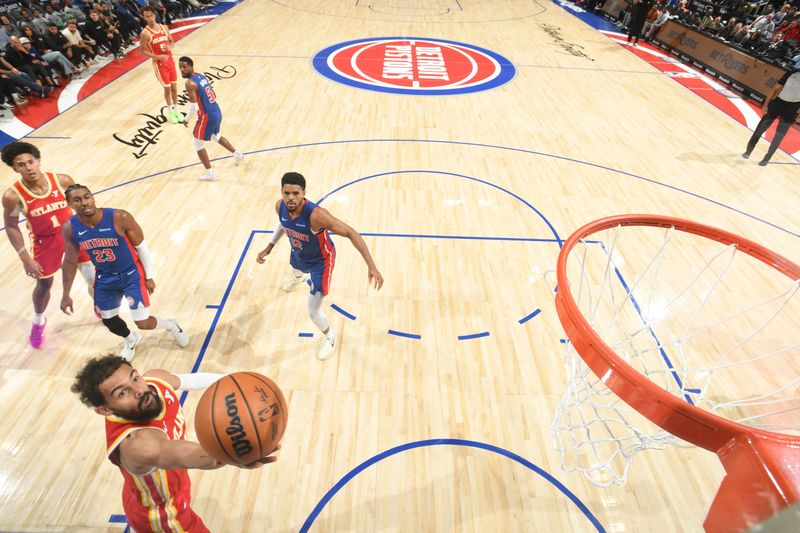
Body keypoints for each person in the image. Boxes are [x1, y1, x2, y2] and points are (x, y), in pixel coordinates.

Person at [71, 355, 280, 532]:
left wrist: (238, 380)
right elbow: (189, 455)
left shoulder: (154, 380)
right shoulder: (138, 446)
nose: (139, 390)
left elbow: (190, 380)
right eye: (122, 393)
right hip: (164, 515)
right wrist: (234, 454)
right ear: (105, 410)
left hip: (142, 493)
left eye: (134, 378)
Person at [256, 172, 384, 360]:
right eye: (286, 193)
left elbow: (351, 233)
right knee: (295, 266)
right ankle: (299, 277)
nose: (291, 198)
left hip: (320, 262)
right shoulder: (280, 206)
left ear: (304, 193)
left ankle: (329, 336)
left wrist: (371, 265)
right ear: (281, 192)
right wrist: (269, 247)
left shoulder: (317, 215)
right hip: (299, 252)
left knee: (312, 311)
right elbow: (283, 224)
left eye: (296, 193)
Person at [60, 184, 188, 360]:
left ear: (92, 197)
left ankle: (171, 325)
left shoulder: (120, 217)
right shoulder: (70, 228)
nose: (84, 202)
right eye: (77, 200)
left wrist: (149, 276)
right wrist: (66, 294)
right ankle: (131, 339)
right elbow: (69, 261)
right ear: (70, 205)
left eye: (87, 196)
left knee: (143, 322)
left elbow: (141, 248)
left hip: (131, 275)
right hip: (105, 278)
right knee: (109, 321)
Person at [2, 142, 95, 348]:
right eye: (21, 165)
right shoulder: (13, 197)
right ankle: (38, 321)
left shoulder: (62, 181)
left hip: (74, 235)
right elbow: (11, 226)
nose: (28, 168)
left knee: (93, 277)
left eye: (31, 162)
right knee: (44, 284)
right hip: (45, 242)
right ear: (14, 168)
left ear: (38, 161)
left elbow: (83, 205)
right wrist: (25, 258)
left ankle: (101, 305)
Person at [178, 56, 244, 181]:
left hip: (206, 116)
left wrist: (186, 119)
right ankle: (237, 154)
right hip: (216, 111)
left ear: (192, 66)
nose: (182, 70)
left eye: (184, 67)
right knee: (215, 136)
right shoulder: (201, 76)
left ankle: (210, 173)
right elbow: (214, 94)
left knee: (197, 144)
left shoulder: (189, 83)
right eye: (180, 67)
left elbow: (194, 107)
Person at [742, 66, 800, 165]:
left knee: (779, 135)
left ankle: (767, 158)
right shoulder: (791, 73)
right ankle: (748, 150)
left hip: (792, 108)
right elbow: (774, 89)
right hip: (778, 103)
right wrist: (765, 105)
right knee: (760, 128)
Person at [139, 5, 181, 124]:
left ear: (155, 15)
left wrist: (170, 46)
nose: (150, 18)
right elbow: (142, 51)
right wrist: (157, 57)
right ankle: (171, 112)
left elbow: (172, 41)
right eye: (147, 17)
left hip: (170, 61)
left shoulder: (164, 27)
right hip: (160, 64)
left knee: (174, 88)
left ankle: (177, 110)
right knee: (167, 89)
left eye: (151, 15)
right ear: (143, 18)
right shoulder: (145, 33)